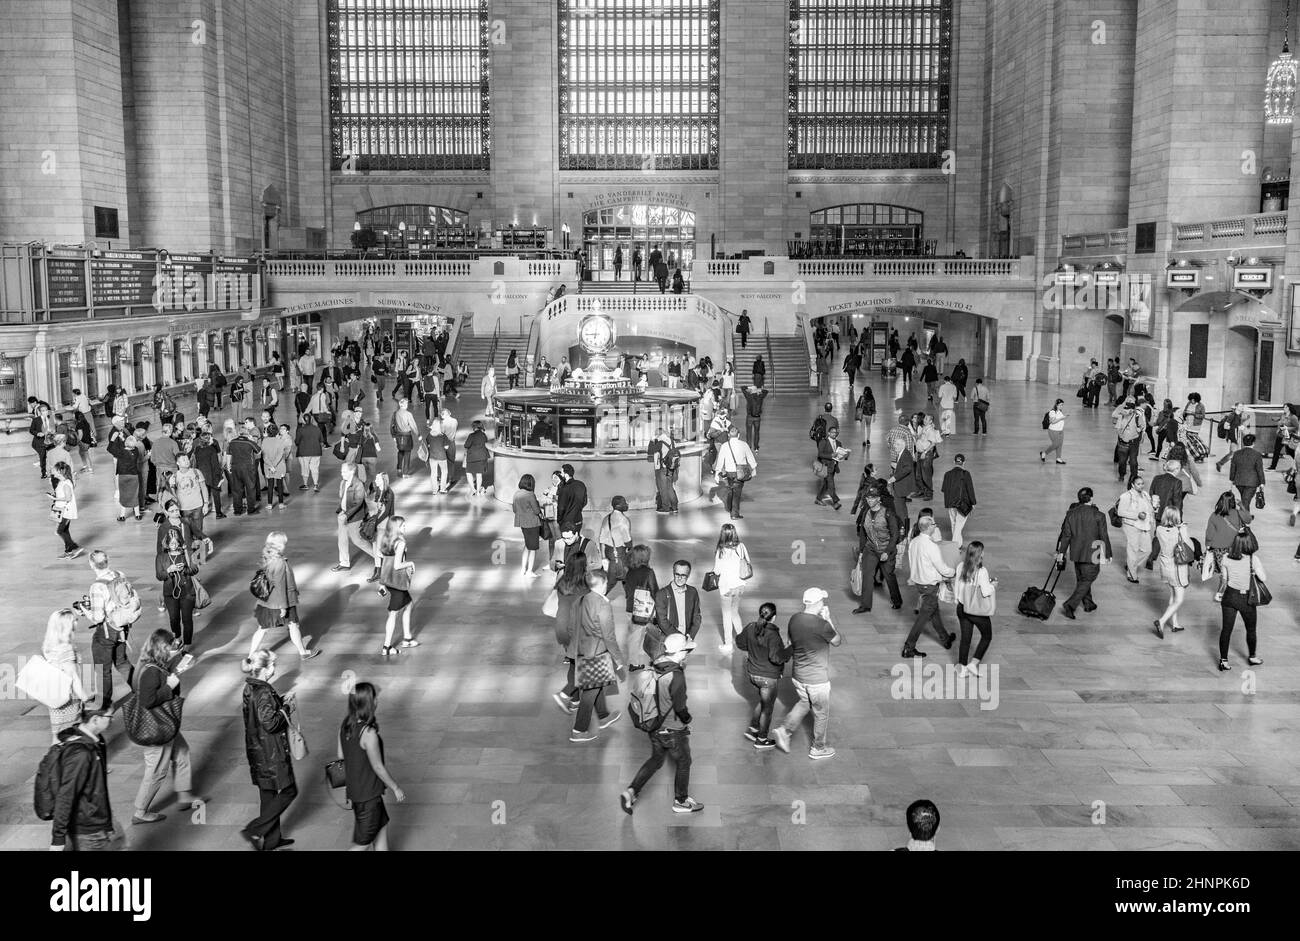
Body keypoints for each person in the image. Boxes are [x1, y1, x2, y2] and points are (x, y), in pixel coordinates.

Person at [620, 632, 702, 814]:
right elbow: (680, 707)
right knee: (684, 761)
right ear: (679, 652)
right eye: (686, 651)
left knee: (656, 759)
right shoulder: (676, 676)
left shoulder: (657, 664)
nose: (687, 654)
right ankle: (681, 801)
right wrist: (688, 719)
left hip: (655, 726)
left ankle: (631, 791)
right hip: (672, 729)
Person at [131, 629, 198, 824]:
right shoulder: (150, 671)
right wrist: (169, 686)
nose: (175, 648)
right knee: (157, 770)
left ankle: (184, 795)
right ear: (162, 648)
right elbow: (147, 700)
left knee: (182, 752)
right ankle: (140, 812)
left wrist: (177, 666)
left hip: (164, 724)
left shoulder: (155, 664)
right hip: (156, 728)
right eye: (171, 646)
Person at [770, 587, 840, 760]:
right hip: (817, 678)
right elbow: (837, 641)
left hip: (798, 676)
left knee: (805, 702)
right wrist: (828, 619)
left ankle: (784, 730)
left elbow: (790, 642)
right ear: (817, 603)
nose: (824, 603)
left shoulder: (794, 619)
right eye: (822, 601)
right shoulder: (822, 625)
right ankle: (818, 748)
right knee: (822, 713)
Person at [239, 649, 298, 852]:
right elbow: (270, 722)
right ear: (265, 669)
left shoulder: (251, 687)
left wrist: (281, 701)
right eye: (273, 664)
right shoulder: (263, 691)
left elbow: (260, 712)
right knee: (290, 790)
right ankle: (255, 829)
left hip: (257, 749)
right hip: (270, 751)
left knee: (268, 794)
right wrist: (286, 709)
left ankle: (272, 840)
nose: (275, 667)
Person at [339, 682, 405, 850]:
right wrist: (395, 787)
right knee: (362, 844)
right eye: (375, 697)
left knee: (381, 829)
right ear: (369, 702)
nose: (377, 700)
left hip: (357, 793)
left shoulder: (346, 724)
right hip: (368, 796)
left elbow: (341, 754)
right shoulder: (369, 734)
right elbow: (378, 767)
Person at [48, 705, 117, 851]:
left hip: (95, 822)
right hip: (89, 831)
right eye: (110, 716)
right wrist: (58, 839)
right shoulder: (81, 753)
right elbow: (66, 794)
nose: (113, 720)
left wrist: (108, 824)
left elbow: (98, 789)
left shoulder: (96, 741)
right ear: (95, 719)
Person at [249, 532, 320, 659]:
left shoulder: (267, 557)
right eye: (284, 543)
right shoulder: (280, 563)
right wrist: (283, 607)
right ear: (279, 545)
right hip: (282, 601)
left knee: (262, 628)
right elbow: (281, 586)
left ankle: (250, 656)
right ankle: (303, 652)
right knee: (293, 625)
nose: (285, 546)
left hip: (267, 602)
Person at [734, 603, 789, 749]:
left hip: (753, 674)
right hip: (768, 678)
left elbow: (739, 642)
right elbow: (776, 658)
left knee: (764, 700)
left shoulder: (751, 627)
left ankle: (753, 729)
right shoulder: (773, 635)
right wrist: (789, 650)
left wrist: (752, 649)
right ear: (774, 616)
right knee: (768, 709)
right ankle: (762, 739)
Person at [1054, 487, 1113, 619]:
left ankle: (1088, 603)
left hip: (1077, 552)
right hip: (1093, 552)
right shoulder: (1099, 515)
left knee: (1082, 578)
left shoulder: (1071, 514)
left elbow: (1066, 536)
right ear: (1091, 498)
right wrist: (1108, 554)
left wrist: (1061, 553)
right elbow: (1104, 536)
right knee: (1089, 578)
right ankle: (1070, 604)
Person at [903, 516, 956, 658]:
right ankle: (909, 647)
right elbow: (942, 568)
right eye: (934, 524)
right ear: (928, 527)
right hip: (930, 586)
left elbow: (912, 562)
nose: (935, 526)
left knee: (934, 612)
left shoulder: (914, 542)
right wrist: (953, 572)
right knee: (923, 618)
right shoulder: (931, 546)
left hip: (919, 584)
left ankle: (945, 639)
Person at [1214, 527, 1266, 672]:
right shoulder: (1253, 560)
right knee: (1251, 629)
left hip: (1229, 596)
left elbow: (1224, 579)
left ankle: (1223, 660)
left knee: (1226, 630)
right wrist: (1254, 571)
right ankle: (1252, 656)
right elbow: (1263, 578)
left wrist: (1219, 593)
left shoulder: (1225, 558)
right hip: (1246, 599)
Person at [41, 609, 90, 743]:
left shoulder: (50, 644)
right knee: (70, 735)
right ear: (67, 626)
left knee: (58, 735)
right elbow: (73, 678)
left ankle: (53, 760)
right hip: (68, 700)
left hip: (55, 696)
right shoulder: (66, 649)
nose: (77, 622)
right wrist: (86, 699)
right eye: (74, 620)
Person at [376, 516, 419, 655]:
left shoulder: (386, 540)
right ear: (396, 528)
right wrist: (410, 563)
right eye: (403, 526)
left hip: (389, 581)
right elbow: (397, 565)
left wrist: (381, 583)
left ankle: (407, 638)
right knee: (393, 614)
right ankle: (387, 647)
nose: (405, 527)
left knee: (409, 605)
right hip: (398, 582)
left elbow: (385, 562)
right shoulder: (400, 543)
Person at [155, 517, 200, 649]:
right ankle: (177, 638)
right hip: (170, 593)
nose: (174, 545)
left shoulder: (187, 553)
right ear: (167, 544)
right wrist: (169, 570)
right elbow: (159, 575)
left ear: (180, 541)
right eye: (171, 543)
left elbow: (194, 569)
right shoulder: (161, 557)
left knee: (187, 619)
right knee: (174, 619)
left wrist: (185, 569)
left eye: (176, 543)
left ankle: (187, 644)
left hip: (187, 591)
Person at [953, 542, 996, 678]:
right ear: (979, 554)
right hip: (976, 611)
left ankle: (962, 668)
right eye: (982, 551)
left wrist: (957, 600)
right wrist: (993, 585)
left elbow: (957, 586)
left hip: (961, 607)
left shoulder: (961, 566)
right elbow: (985, 592)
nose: (983, 553)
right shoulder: (982, 571)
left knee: (965, 639)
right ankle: (973, 664)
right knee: (987, 636)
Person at [1151, 506, 1191, 639]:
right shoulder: (1179, 531)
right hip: (1177, 567)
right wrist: (1183, 530)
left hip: (1165, 565)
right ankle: (1161, 621)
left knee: (1172, 594)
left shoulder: (1159, 529)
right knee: (1179, 599)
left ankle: (1175, 623)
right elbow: (1190, 546)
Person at [712, 523, 752, 654]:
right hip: (740, 585)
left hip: (726, 587)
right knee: (735, 612)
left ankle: (728, 643)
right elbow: (747, 561)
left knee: (726, 615)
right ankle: (743, 640)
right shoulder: (741, 546)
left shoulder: (721, 550)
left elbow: (717, 571)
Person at [333, 461, 374, 573]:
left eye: (344, 471)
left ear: (352, 471)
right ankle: (344, 563)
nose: (342, 474)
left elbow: (358, 502)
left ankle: (379, 558)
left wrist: (346, 515)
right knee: (342, 540)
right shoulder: (343, 482)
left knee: (357, 540)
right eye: (342, 471)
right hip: (343, 515)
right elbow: (343, 498)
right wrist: (341, 511)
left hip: (354, 517)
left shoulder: (358, 484)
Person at [1116, 473, 1155, 583]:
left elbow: (1149, 509)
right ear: (1132, 485)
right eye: (1138, 484)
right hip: (1131, 526)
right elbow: (1120, 512)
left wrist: (1154, 509)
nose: (1141, 486)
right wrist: (1136, 515)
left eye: (1142, 483)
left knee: (1147, 550)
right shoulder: (1126, 496)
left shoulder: (1146, 495)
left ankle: (1130, 565)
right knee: (1133, 549)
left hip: (1145, 526)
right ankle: (1132, 574)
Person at [714, 426, 758, 520]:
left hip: (729, 472)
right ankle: (734, 514)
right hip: (740, 472)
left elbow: (720, 460)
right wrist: (754, 468)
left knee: (731, 489)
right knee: (737, 493)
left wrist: (717, 473)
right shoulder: (744, 444)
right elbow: (750, 457)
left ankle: (729, 507)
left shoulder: (725, 445)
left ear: (729, 435)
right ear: (738, 435)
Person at [654, 559, 702, 639]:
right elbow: (662, 621)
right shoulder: (662, 594)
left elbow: (696, 616)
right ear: (673, 573)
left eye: (683, 575)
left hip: (687, 638)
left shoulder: (692, 592)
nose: (680, 578)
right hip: (668, 639)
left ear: (688, 575)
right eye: (677, 574)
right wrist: (679, 637)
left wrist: (690, 636)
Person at [363, 472, 396, 582]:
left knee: (379, 550)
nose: (375, 481)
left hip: (383, 524)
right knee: (375, 547)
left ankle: (386, 571)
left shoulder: (389, 493)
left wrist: (375, 522)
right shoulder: (378, 491)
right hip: (377, 523)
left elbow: (386, 512)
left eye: (378, 479)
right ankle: (377, 572)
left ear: (383, 480)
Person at [940, 453, 976, 546]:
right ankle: (955, 545)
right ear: (964, 463)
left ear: (954, 462)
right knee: (958, 525)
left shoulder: (947, 474)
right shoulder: (966, 474)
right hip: (962, 504)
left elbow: (944, 489)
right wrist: (973, 503)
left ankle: (958, 544)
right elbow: (970, 489)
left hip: (951, 503)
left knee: (954, 524)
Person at [48, 461, 82, 560]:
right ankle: (73, 547)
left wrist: (54, 499)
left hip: (65, 510)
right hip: (62, 509)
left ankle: (69, 551)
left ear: (60, 471)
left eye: (54, 470)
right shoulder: (62, 482)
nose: (52, 472)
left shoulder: (66, 483)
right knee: (64, 530)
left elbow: (68, 498)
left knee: (59, 531)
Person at [513, 474, 544, 578]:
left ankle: (523, 569)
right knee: (533, 548)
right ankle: (529, 571)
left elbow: (514, 509)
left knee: (527, 545)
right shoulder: (530, 495)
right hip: (532, 523)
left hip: (522, 524)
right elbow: (536, 510)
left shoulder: (516, 494)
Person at [1228, 433, 1266, 516]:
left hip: (1239, 481)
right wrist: (1262, 483)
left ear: (1243, 442)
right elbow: (1259, 470)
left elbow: (1233, 468)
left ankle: (1246, 515)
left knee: (1245, 499)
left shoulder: (1236, 453)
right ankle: (1244, 520)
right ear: (1253, 443)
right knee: (1246, 501)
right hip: (1252, 483)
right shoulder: (1257, 455)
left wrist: (1231, 480)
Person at [1113, 397, 1145, 485]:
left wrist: (1139, 429)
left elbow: (1142, 426)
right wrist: (1121, 436)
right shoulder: (1121, 416)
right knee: (1122, 461)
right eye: (1126, 409)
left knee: (1133, 461)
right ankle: (1122, 475)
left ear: (1133, 410)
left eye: (1128, 409)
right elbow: (1118, 428)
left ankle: (1134, 477)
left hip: (1133, 442)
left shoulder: (1137, 416)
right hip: (1123, 442)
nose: (1126, 411)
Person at [261, 423, 291, 509]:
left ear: (267, 432)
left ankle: (269, 504)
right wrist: (274, 465)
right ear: (277, 432)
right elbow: (280, 454)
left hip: (268, 467)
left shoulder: (264, 441)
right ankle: (281, 504)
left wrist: (271, 466)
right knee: (280, 485)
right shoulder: (280, 441)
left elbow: (264, 455)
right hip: (279, 466)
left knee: (270, 485)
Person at [294, 412, 324, 493]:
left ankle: (305, 485)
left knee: (305, 468)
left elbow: (297, 442)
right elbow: (321, 440)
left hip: (304, 452)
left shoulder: (300, 430)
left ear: (303, 420)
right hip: (316, 451)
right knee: (315, 468)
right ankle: (315, 485)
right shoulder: (317, 428)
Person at [815, 425, 843, 510]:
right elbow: (820, 454)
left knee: (826, 484)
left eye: (836, 432)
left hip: (833, 467)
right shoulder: (823, 442)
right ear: (829, 433)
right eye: (833, 432)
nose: (835, 434)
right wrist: (831, 455)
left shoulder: (839, 443)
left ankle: (818, 499)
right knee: (831, 485)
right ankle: (835, 502)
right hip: (826, 467)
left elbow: (840, 454)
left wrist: (844, 455)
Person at [390, 397, 419, 477]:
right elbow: (413, 425)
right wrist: (418, 434)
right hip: (407, 436)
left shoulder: (395, 413)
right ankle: (405, 473)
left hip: (398, 436)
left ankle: (399, 468)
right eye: (406, 403)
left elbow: (392, 426)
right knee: (407, 453)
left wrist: (393, 436)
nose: (407, 405)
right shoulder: (408, 414)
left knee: (400, 451)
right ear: (404, 405)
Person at [556, 462, 587, 531]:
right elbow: (585, 502)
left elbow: (561, 507)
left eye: (561, 472)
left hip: (566, 522)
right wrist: (577, 509)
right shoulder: (581, 484)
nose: (560, 474)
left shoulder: (564, 488)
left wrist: (559, 521)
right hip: (578, 519)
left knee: (568, 540)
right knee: (577, 540)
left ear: (566, 474)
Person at [463, 419, 490, 495]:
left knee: (469, 473)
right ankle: (478, 491)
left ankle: (473, 490)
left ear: (474, 427)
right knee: (479, 474)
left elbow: (466, 445)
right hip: (482, 457)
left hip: (472, 457)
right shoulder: (484, 435)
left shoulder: (471, 435)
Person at [1040, 398, 1067, 464]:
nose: (1061, 406)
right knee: (1056, 444)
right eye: (1060, 405)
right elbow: (1053, 421)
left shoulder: (1060, 411)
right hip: (1053, 431)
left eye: (1062, 405)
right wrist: (1062, 418)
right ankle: (1044, 454)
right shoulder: (1052, 412)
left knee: (1060, 445)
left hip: (1060, 431)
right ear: (1056, 405)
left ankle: (1058, 459)